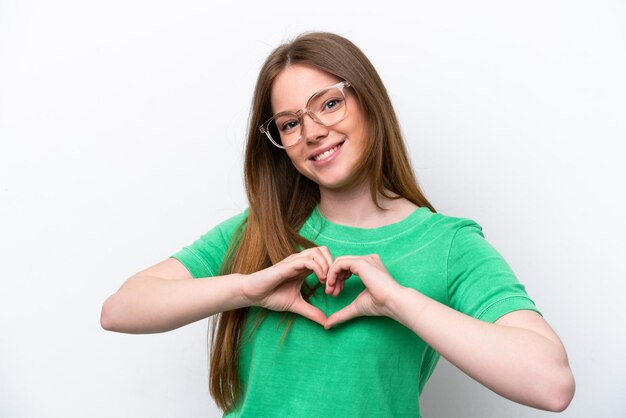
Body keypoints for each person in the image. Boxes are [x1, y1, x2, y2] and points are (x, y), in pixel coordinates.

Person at [101, 31, 575, 417]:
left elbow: (551, 384)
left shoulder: (447, 244)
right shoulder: (259, 229)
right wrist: (246, 289)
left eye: (328, 104)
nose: (311, 132)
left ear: (368, 100)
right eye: (289, 123)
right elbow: (120, 310)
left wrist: (398, 301)